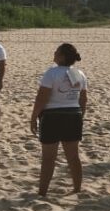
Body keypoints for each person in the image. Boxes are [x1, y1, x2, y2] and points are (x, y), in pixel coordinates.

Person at [30, 43, 88, 197]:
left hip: (53, 116)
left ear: (62, 56)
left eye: (56, 51)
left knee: (49, 158)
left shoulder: (52, 73)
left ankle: (42, 192)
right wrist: (80, 116)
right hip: (73, 114)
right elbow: (83, 99)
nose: (54, 53)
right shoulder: (79, 74)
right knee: (73, 156)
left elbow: (42, 97)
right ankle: (77, 189)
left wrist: (34, 116)